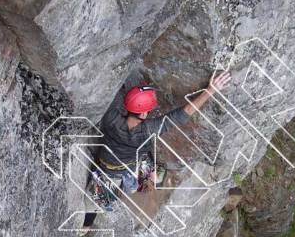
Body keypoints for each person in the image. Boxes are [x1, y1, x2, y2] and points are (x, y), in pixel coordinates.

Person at [83, 71, 231, 228]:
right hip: (120, 172)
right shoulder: (148, 129)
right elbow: (183, 114)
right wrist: (211, 90)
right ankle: (143, 185)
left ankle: (86, 226)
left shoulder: (110, 116)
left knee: (93, 204)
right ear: (145, 112)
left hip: (107, 165)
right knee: (150, 171)